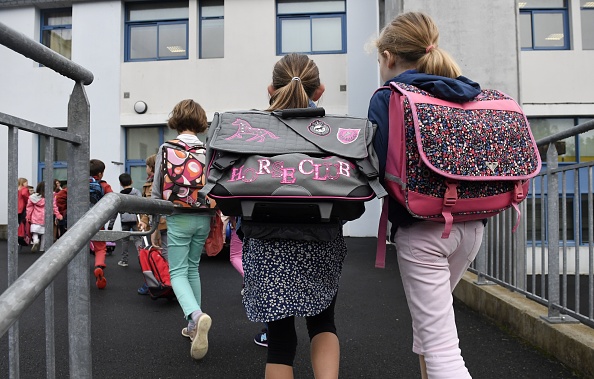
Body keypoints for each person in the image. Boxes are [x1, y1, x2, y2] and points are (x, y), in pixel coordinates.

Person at [367, 12, 485, 379]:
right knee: (431, 326)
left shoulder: (389, 96)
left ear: (388, 56)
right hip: (473, 225)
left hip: (422, 229)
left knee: (443, 351)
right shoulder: (468, 92)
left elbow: (375, 164)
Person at [240, 53, 346, 379]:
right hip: (321, 239)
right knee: (323, 323)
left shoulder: (250, 132)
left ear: (271, 89)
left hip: (266, 242)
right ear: (321, 90)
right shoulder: (336, 133)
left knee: (279, 343)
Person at [151, 99, 212, 360]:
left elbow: (156, 190)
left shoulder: (167, 147)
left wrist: (155, 224)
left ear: (176, 119)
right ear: (200, 121)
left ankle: (196, 316)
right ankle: (191, 325)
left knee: (176, 272)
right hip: (204, 215)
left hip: (177, 215)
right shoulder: (209, 149)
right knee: (192, 269)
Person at [137, 153, 168, 295]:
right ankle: (167, 282)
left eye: (146, 166)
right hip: (167, 223)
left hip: (158, 225)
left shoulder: (151, 184)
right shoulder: (167, 180)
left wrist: (144, 221)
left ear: (151, 168)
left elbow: (150, 206)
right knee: (166, 254)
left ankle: (155, 283)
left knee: (153, 254)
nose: (145, 169)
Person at [107, 173, 142, 267]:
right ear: (132, 181)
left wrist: (111, 225)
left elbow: (115, 211)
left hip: (125, 221)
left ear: (120, 183)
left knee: (125, 241)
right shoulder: (137, 192)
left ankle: (124, 260)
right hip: (135, 219)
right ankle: (142, 259)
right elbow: (142, 205)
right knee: (138, 239)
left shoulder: (120, 196)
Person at [89, 159, 114, 289]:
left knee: (77, 246)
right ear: (100, 174)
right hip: (97, 221)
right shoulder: (104, 185)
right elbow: (112, 201)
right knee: (100, 248)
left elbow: (61, 197)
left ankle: (76, 270)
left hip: (78, 221)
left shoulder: (78, 185)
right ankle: (98, 266)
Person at [26, 181, 63, 252]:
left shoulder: (33, 197)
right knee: (44, 233)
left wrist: (28, 216)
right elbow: (54, 207)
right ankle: (42, 248)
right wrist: (58, 215)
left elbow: (29, 208)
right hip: (46, 216)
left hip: (36, 216)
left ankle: (36, 240)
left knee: (34, 231)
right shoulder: (51, 197)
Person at [17, 177, 31, 245]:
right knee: (23, 222)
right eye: (26, 182)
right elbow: (24, 195)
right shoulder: (24, 189)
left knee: (19, 222)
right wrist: (28, 200)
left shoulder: (17, 189)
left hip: (17, 209)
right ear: (23, 183)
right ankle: (22, 236)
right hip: (23, 207)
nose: (27, 184)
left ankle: (19, 236)